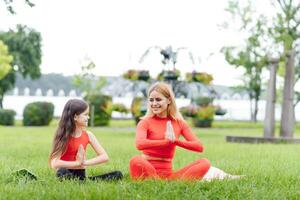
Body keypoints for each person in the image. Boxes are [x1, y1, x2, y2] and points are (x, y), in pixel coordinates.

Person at [129, 82, 240, 181]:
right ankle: (156, 181)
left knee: (204, 162)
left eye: (158, 99)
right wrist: (165, 142)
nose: (154, 103)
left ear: (169, 100)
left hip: (169, 176)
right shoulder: (144, 122)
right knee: (136, 161)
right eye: (151, 100)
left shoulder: (179, 123)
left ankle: (167, 182)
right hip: (147, 172)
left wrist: (175, 141)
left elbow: (199, 146)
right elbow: (139, 144)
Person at [49, 99, 123, 181]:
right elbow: (54, 163)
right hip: (65, 172)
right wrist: (76, 163)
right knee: (61, 171)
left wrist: (84, 162)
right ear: (75, 117)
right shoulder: (63, 136)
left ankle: (80, 182)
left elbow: (104, 157)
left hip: (81, 175)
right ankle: (78, 182)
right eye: (85, 114)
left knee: (118, 174)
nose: (88, 117)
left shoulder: (88, 135)